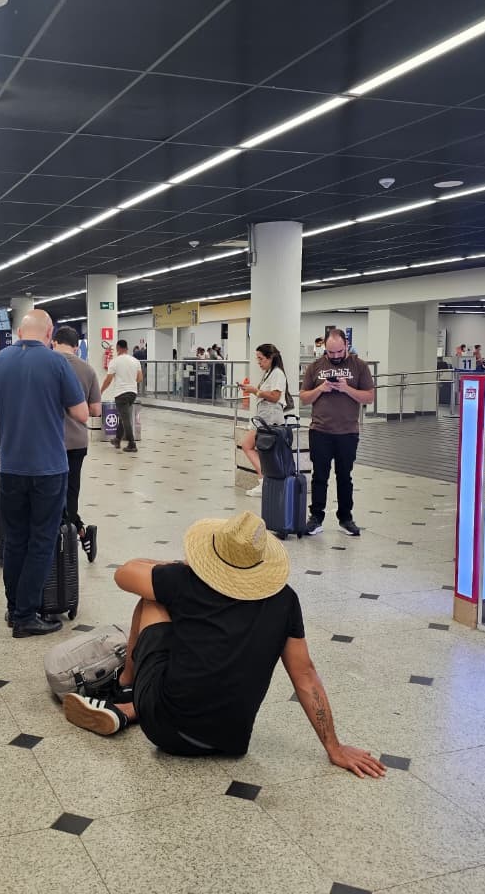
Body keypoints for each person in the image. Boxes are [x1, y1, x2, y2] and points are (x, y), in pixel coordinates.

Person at [61, 511, 387, 778]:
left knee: (151, 602)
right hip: (231, 738)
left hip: (166, 730)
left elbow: (124, 573)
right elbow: (306, 676)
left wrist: (179, 566)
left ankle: (125, 688)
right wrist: (334, 746)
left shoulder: (184, 581)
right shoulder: (285, 600)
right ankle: (130, 711)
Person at [0, 310, 88, 637]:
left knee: (15, 538)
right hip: (49, 467)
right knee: (42, 539)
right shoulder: (57, 363)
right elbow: (81, 413)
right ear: (49, 332)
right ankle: (26, 616)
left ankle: (14, 609)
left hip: (10, 465)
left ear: (18, 331)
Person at [299, 328, 375, 537]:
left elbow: (369, 397)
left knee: (344, 476)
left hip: (348, 432)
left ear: (346, 346)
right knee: (319, 476)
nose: (334, 356)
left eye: (339, 352)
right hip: (320, 431)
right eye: (330, 352)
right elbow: (304, 397)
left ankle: (345, 518)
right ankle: (316, 518)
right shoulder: (315, 367)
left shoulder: (359, 366)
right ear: (325, 347)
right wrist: (321, 389)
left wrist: (346, 389)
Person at [53, 325, 103, 560]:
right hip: (76, 441)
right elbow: (95, 410)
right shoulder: (88, 370)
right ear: (76, 346)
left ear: (53, 342)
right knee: (71, 491)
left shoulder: (46, 365)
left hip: (48, 442)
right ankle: (78, 534)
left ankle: (65, 542)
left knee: (51, 492)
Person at [240, 343, 290, 497]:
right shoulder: (269, 373)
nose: (259, 362)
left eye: (261, 359)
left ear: (270, 358)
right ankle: (264, 480)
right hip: (264, 414)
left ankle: (264, 480)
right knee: (257, 448)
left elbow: (275, 396)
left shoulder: (277, 373)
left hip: (269, 416)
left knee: (247, 445)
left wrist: (255, 391)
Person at [101, 338, 142, 453]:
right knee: (123, 417)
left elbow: (108, 380)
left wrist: (100, 391)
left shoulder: (115, 362)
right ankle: (117, 439)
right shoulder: (135, 361)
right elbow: (140, 378)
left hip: (121, 394)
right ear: (127, 348)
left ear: (118, 348)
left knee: (125, 419)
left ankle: (132, 443)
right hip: (132, 393)